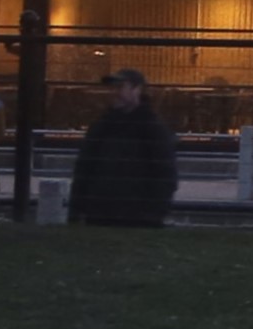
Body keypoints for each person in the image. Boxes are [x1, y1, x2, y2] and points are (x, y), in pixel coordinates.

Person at [71, 68, 178, 226]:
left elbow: (165, 174)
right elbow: (84, 168)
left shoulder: (150, 128)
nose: (114, 92)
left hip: (129, 216)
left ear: (137, 89)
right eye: (113, 88)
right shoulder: (104, 126)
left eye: (120, 87)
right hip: (107, 214)